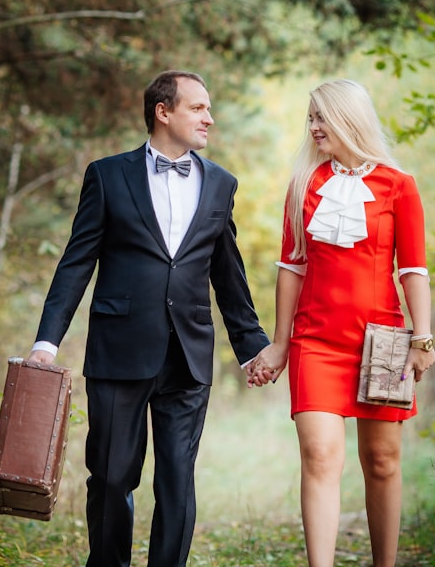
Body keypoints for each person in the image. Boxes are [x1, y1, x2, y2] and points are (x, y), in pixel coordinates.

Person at [27, 70, 270, 567]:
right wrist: (46, 342)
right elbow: (76, 263)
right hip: (120, 352)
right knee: (113, 476)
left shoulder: (221, 184)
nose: (210, 117)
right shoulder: (107, 175)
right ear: (164, 112)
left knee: (178, 480)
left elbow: (228, 272)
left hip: (189, 355)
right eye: (198, 108)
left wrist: (252, 347)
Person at [247, 78, 435, 567]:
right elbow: (291, 268)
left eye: (320, 118)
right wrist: (280, 344)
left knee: (382, 462)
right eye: (310, 118)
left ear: (349, 120)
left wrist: (423, 337)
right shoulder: (304, 186)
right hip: (316, 343)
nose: (312, 128)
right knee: (321, 457)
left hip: (386, 343)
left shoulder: (399, 185)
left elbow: (413, 270)